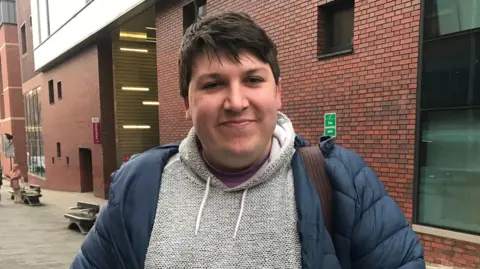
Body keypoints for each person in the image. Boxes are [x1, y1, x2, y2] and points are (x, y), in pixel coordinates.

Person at [72, 12, 425, 269]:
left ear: (277, 93)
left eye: (253, 80)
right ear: (187, 104)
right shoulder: (140, 185)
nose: (236, 102)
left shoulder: (342, 181)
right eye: (213, 84)